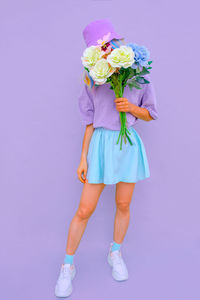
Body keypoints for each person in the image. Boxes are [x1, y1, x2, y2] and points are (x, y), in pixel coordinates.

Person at [55, 19, 158, 298]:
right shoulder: (92, 78)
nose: (106, 47)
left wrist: (132, 108)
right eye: (100, 45)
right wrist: (83, 158)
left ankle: (115, 252)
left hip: (127, 145)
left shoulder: (136, 72)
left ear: (116, 42)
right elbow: (89, 121)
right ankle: (68, 266)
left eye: (109, 42)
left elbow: (151, 113)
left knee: (123, 203)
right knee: (84, 209)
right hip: (100, 145)